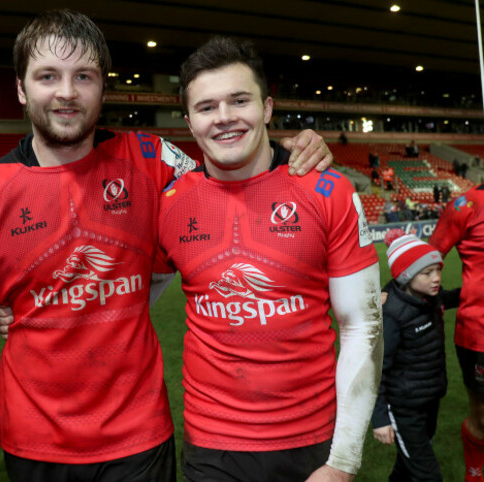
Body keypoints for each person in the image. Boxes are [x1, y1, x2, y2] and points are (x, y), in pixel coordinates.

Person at [0, 10, 334, 481]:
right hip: (34, 442)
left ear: (102, 88)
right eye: (47, 76)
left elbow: (234, 165)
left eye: (84, 76)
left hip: (139, 440)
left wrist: (292, 150)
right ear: (21, 88)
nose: (66, 92)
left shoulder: (150, 159)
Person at [154, 35, 383, 482]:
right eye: (206, 107)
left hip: (312, 442)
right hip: (212, 448)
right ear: (189, 121)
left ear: (268, 108)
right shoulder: (170, 203)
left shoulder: (328, 190)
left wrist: (343, 461)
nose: (224, 118)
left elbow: (363, 324)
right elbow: (128, 296)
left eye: (239, 100)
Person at [372, 230, 459, 481]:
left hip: (430, 400)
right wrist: (380, 419)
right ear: (406, 276)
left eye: (437, 270)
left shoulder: (431, 298)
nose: (436, 278)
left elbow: (453, 297)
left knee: (407, 464)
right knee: (427, 475)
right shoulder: (393, 314)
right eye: (427, 272)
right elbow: (377, 368)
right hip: (405, 408)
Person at [429, 185, 484, 481]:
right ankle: (474, 473)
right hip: (479, 334)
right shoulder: (467, 205)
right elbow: (430, 256)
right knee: (483, 417)